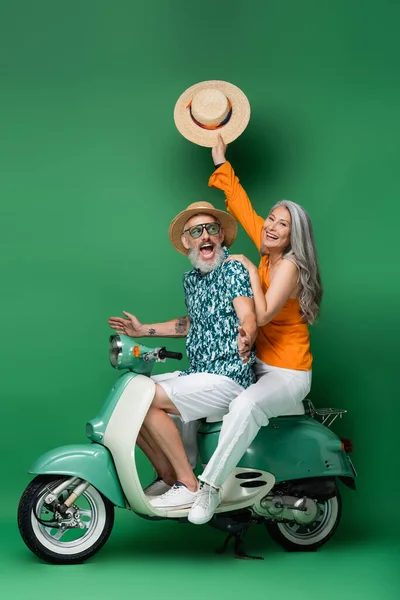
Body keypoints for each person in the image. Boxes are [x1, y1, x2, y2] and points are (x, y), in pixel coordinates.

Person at [188, 135, 323, 524]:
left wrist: (246, 266)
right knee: (198, 385)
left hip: (287, 373)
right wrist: (220, 161)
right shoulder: (269, 250)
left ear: (294, 234)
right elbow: (244, 208)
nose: (272, 227)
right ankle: (184, 475)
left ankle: (208, 491)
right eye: (272, 219)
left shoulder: (289, 266)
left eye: (283, 224)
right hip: (257, 363)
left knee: (244, 406)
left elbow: (261, 315)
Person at [109, 201, 258, 509]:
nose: (205, 235)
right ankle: (167, 475)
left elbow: (247, 312)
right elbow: (191, 323)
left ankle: (188, 483)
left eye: (211, 229)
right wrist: (142, 330)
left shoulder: (233, 270)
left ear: (221, 238)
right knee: (127, 399)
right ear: (188, 242)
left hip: (228, 376)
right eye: (196, 231)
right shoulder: (192, 280)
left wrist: (248, 331)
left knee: (145, 399)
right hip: (199, 374)